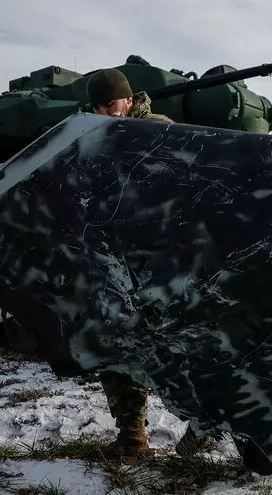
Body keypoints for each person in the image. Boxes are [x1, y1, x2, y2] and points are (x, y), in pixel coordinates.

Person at [84, 67, 215, 461]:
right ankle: (132, 438)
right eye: (99, 107)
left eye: (111, 103)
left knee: (179, 343)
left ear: (128, 98)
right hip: (125, 258)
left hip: (166, 259)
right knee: (116, 342)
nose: (107, 112)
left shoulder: (156, 128)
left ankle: (206, 421)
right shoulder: (101, 133)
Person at [86, 68, 174, 123]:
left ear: (128, 100)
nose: (104, 114)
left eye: (110, 104)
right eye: (97, 108)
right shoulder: (94, 133)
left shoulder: (159, 125)